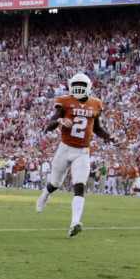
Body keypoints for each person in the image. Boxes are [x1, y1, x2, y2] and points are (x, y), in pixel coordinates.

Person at [35, 73, 118, 237]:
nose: (79, 88)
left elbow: (97, 128)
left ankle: (75, 222)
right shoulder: (64, 101)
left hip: (82, 152)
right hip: (65, 149)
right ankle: (45, 195)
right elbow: (50, 124)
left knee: (80, 184)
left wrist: (110, 137)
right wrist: (59, 121)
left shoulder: (96, 104)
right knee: (55, 183)